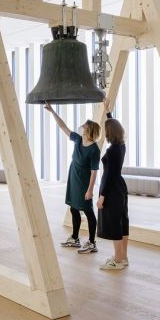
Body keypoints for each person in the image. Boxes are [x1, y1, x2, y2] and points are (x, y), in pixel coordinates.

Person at [44, 102, 101, 253]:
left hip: (84, 181)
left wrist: (90, 191)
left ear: (88, 130)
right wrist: (52, 111)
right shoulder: (77, 140)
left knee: (88, 211)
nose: (81, 127)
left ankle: (91, 242)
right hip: (73, 178)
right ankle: (75, 238)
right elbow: (63, 127)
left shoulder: (94, 150)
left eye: (84, 126)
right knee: (73, 208)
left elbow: (94, 172)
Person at [96, 98, 130, 270]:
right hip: (121, 188)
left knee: (114, 222)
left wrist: (102, 196)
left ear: (109, 133)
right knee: (122, 220)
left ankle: (117, 260)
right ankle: (123, 257)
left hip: (112, 189)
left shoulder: (112, 150)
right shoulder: (121, 146)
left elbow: (109, 175)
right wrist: (108, 111)